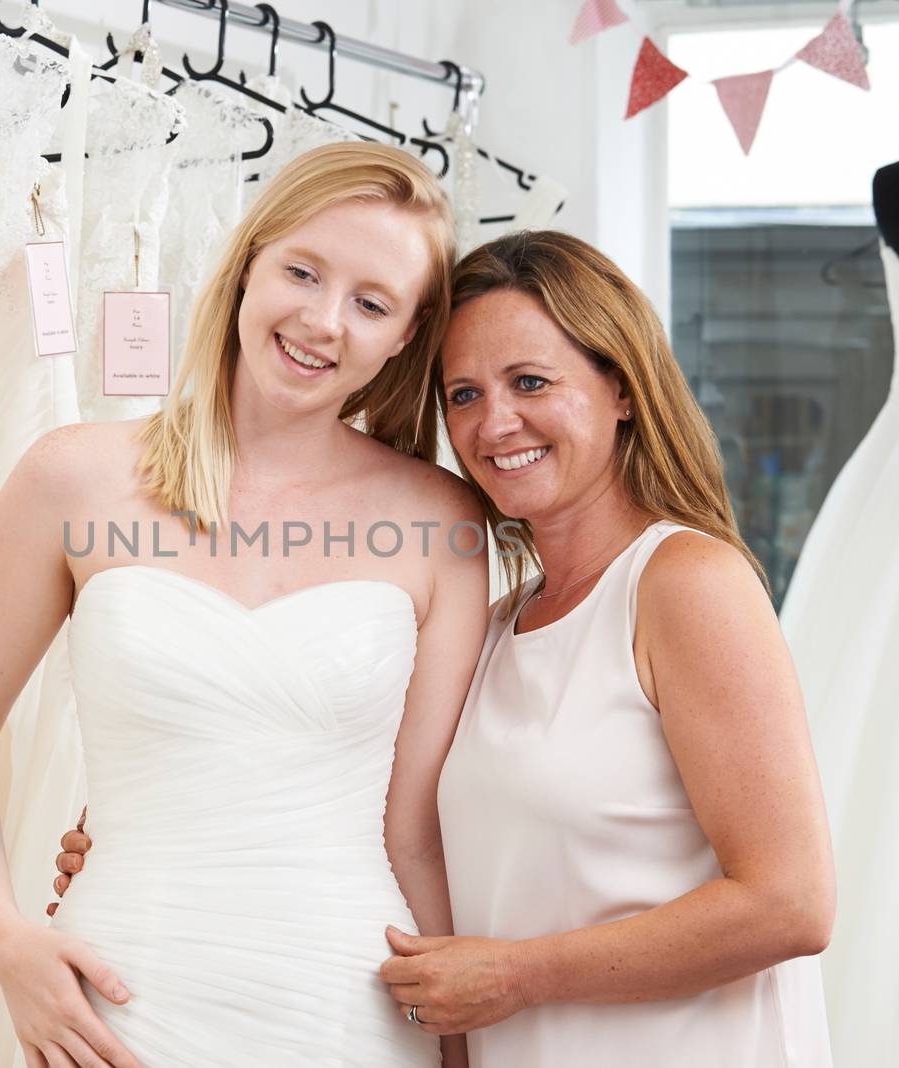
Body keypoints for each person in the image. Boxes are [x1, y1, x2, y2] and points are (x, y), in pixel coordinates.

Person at [57, 230, 836, 1067]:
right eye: (463, 395)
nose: (495, 423)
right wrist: (154, 831)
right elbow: (386, 821)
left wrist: (518, 977)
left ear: (621, 389)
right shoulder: (497, 623)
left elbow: (790, 903)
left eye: (530, 382)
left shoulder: (685, 584)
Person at [0, 142, 488, 1068]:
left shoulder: (443, 522)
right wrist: (5, 940)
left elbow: (412, 831)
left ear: (406, 337)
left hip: (348, 1008)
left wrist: (458, 1053)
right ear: (248, 262)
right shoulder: (74, 477)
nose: (323, 320)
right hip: (118, 1000)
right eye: (302, 271)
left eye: (371, 303)